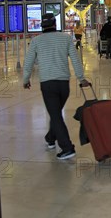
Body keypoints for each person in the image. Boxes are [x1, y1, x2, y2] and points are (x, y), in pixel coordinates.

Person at [23, 13, 90, 160]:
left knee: (55, 115)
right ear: (55, 24)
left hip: (48, 84)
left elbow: (28, 62)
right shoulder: (65, 38)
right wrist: (81, 78)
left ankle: (67, 148)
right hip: (63, 84)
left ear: (42, 26)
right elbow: (75, 59)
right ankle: (50, 138)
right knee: (55, 113)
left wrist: (25, 79)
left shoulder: (36, 41)